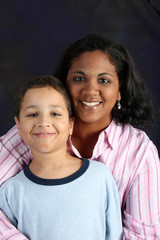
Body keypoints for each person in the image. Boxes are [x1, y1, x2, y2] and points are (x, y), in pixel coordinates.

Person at [0, 34, 159, 239]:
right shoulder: (37, 131)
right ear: (64, 84)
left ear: (120, 90)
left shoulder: (140, 152)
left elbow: (144, 235)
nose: (91, 90)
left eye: (104, 80)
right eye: (79, 78)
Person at [0, 76, 123, 240]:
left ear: (70, 124)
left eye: (55, 113)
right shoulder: (11, 192)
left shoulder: (100, 176)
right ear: (19, 126)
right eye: (32, 114)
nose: (43, 122)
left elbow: (114, 235)